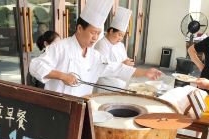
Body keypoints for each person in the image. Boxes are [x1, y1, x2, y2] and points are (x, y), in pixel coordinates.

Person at [29, 0, 161, 97]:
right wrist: (62, 76)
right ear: (80, 28)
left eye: (98, 33)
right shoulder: (61, 47)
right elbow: (35, 66)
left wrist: (144, 72)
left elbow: (116, 68)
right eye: (93, 32)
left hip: (82, 106)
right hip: (58, 108)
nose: (95, 37)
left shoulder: (94, 55)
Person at [94, 7, 134, 91]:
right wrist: (122, 64)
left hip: (121, 84)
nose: (120, 38)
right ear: (111, 31)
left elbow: (125, 60)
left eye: (122, 36)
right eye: (119, 34)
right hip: (106, 86)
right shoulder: (101, 44)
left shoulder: (120, 45)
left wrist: (128, 64)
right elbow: (101, 67)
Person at [187, 38, 209, 139]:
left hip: (206, 83)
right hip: (204, 81)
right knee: (201, 111)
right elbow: (191, 50)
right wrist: (200, 65)